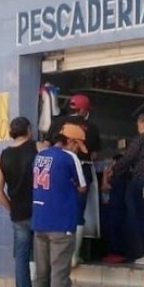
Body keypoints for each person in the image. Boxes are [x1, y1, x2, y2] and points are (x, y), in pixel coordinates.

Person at [29, 124, 87, 287]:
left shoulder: (40, 156)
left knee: (41, 273)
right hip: (61, 223)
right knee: (60, 274)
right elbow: (82, 187)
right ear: (69, 141)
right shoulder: (69, 158)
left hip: (40, 221)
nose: (78, 149)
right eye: (77, 144)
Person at [0, 116, 38, 287]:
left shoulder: (3, 156)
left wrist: (11, 207)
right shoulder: (37, 148)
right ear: (28, 130)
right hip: (40, 211)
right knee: (43, 259)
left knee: (21, 259)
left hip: (18, 214)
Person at [50, 94, 102, 267]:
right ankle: (74, 256)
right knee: (78, 214)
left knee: (59, 211)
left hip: (57, 172)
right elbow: (94, 154)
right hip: (82, 170)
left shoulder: (56, 124)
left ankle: (59, 254)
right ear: (82, 110)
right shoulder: (92, 127)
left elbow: (47, 146)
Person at [111, 112, 144, 265]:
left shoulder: (143, 138)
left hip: (143, 180)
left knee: (141, 216)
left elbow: (128, 158)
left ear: (143, 123)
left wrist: (114, 172)